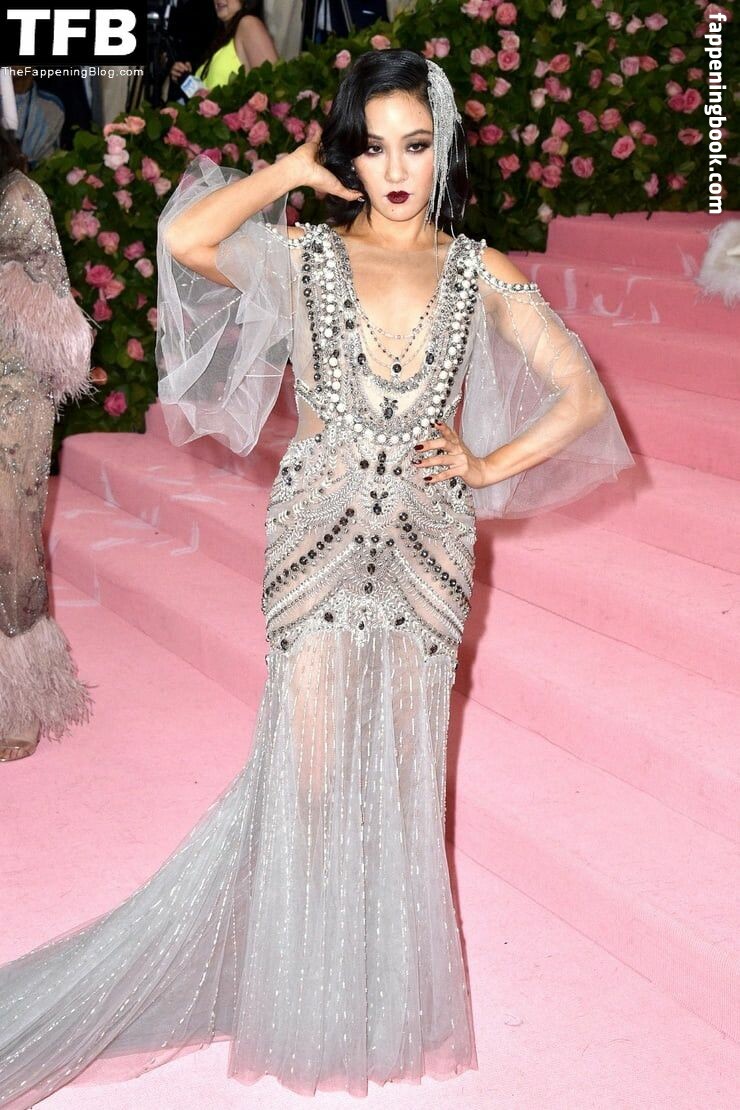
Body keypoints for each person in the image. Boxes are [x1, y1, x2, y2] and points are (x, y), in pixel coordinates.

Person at [0, 49, 634, 1104]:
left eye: (415, 146)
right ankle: (300, 984)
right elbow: (186, 240)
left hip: (429, 547)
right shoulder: (309, 257)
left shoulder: (480, 271)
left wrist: (486, 466)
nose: (396, 170)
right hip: (316, 539)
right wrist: (291, 172)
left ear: (442, 150)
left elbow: (580, 395)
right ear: (350, 155)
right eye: (373, 148)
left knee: (404, 759)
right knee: (308, 761)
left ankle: (376, 989)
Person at [0, 117, 92, 761]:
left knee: (10, 539)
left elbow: (55, 300)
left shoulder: (19, 197)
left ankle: (19, 698)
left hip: (13, 391)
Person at [169, 0, 277, 94]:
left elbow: (275, 87)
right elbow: (208, 101)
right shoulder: (221, 39)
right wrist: (184, 77)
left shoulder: (248, 24)